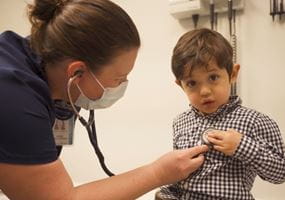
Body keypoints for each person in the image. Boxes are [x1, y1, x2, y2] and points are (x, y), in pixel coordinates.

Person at [0, 0, 209, 199]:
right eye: (119, 78)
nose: (123, 85)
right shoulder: (14, 97)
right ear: (77, 72)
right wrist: (159, 173)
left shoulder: (56, 75)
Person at [155, 28, 285, 200]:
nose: (204, 91)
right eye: (192, 83)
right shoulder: (180, 122)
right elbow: (180, 172)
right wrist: (167, 192)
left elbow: (281, 173)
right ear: (181, 85)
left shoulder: (255, 121)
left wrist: (242, 146)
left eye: (213, 78)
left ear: (233, 74)